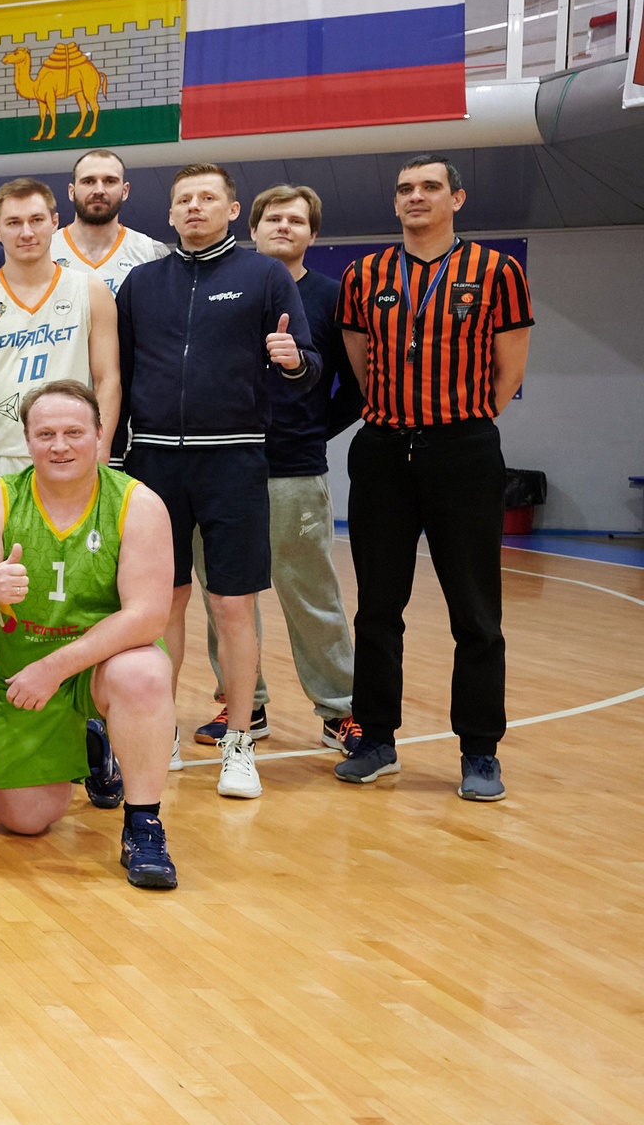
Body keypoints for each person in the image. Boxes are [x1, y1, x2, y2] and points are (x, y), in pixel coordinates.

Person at [332, 156, 533, 801]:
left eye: (430, 187)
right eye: (405, 189)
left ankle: (480, 750)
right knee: (377, 607)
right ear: (394, 203)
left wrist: (454, 423)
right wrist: (402, 420)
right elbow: (361, 363)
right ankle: (377, 740)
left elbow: (509, 372)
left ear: (457, 198)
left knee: (475, 611)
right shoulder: (365, 275)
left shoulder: (498, 271)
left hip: (463, 451)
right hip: (383, 452)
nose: (415, 196)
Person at [116, 163, 315, 800]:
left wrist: (293, 361)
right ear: (170, 213)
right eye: (184, 200)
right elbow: (119, 376)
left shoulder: (265, 276)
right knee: (162, 604)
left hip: (234, 461)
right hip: (153, 464)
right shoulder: (142, 283)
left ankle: (239, 743)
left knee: (232, 605)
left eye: (208, 198)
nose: (194, 207)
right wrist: (113, 457)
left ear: (232, 210)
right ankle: (161, 731)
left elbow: (308, 364)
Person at [0, 382, 179, 889]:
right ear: (27, 440)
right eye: (45, 434)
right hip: (25, 676)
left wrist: (55, 667)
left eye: (74, 432)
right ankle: (93, 746)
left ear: (99, 434)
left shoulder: (138, 503)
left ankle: (143, 826)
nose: (60, 446)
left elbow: (148, 618)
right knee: (23, 819)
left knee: (144, 673)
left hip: (97, 665)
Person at [0, 179, 120, 783]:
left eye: (36, 220)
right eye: (13, 222)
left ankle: (90, 717)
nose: (26, 232)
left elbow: (108, 377)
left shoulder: (88, 291)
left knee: (81, 590)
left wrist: (99, 453)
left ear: (53, 223)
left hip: (69, 460)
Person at [191, 185, 364, 759]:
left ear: (313, 233)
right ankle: (246, 703)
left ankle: (341, 708)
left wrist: (310, 432)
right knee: (224, 597)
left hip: (292, 470)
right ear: (253, 228)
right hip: (218, 468)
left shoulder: (331, 297)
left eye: (296, 220)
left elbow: (356, 387)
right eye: (273, 218)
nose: (283, 226)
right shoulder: (223, 285)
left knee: (311, 594)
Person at [51, 149, 169, 296]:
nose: (99, 190)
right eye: (88, 181)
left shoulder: (151, 253)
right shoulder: (45, 250)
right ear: (71, 192)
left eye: (110, 181)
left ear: (125, 191)